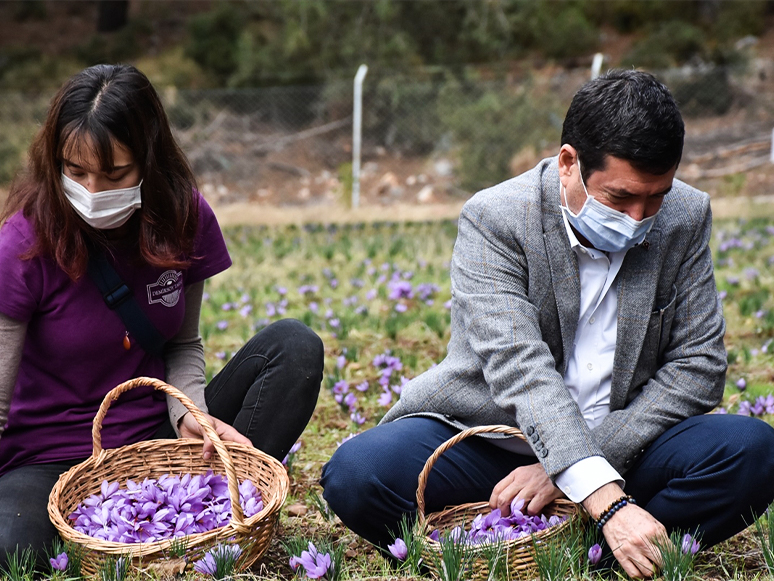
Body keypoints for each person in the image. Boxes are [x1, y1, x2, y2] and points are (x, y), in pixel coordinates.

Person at [321, 69, 774, 578]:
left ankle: (587, 560)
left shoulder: (685, 216)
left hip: (627, 443)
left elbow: (699, 367)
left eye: (655, 198)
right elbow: (520, 366)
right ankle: (510, 553)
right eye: (619, 199)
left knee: (753, 451)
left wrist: (574, 473)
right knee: (359, 474)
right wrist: (598, 494)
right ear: (568, 164)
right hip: (490, 444)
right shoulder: (497, 218)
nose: (638, 217)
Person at [0, 64, 323, 562]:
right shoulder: (25, 241)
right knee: (11, 548)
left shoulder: (183, 217)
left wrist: (190, 415)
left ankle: (216, 512)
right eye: (76, 171)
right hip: (49, 456)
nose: (93, 190)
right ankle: (169, 531)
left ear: (149, 159)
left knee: (294, 347)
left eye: (115, 174)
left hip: (160, 441)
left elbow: (181, 344)